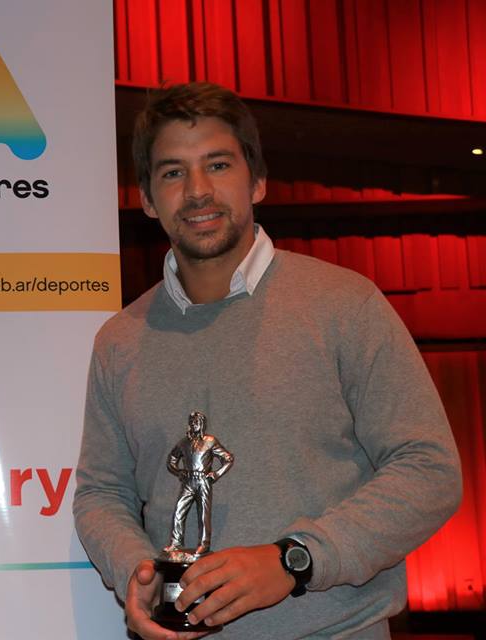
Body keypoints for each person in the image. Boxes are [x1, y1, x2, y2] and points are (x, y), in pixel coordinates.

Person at [72, 82, 462, 639]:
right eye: (173, 172)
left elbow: (428, 469)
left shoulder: (345, 305)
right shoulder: (119, 341)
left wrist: (295, 559)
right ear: (148, 199)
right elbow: (101, 493)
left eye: (218, 165)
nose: (198, 191)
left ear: (257, 180)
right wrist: (136, 571)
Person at [164, 411, 234, 556]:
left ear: (202, 424)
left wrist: (216, 473)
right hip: (188, 481)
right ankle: (175, 543)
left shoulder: (210, 441)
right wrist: (178, 471)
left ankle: (204, 544)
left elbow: (228, 458)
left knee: (203, 514)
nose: (193, 424)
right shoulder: (183, 442)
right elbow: (171, 459)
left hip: (203, 481)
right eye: (191, 422)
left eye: (196, 422)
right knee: (179, 511)